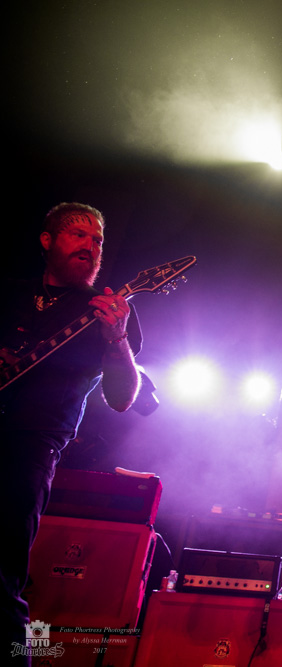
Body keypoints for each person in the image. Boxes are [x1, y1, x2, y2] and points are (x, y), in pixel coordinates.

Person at [0, 203, 141, 663]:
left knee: (2, 570)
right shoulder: (12, 294)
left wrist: (117, 337)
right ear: (47, 240)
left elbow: (122, 398)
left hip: (33, 441)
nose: (91, 245)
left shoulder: (107, 311)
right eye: (79, 234)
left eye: (98, 240)